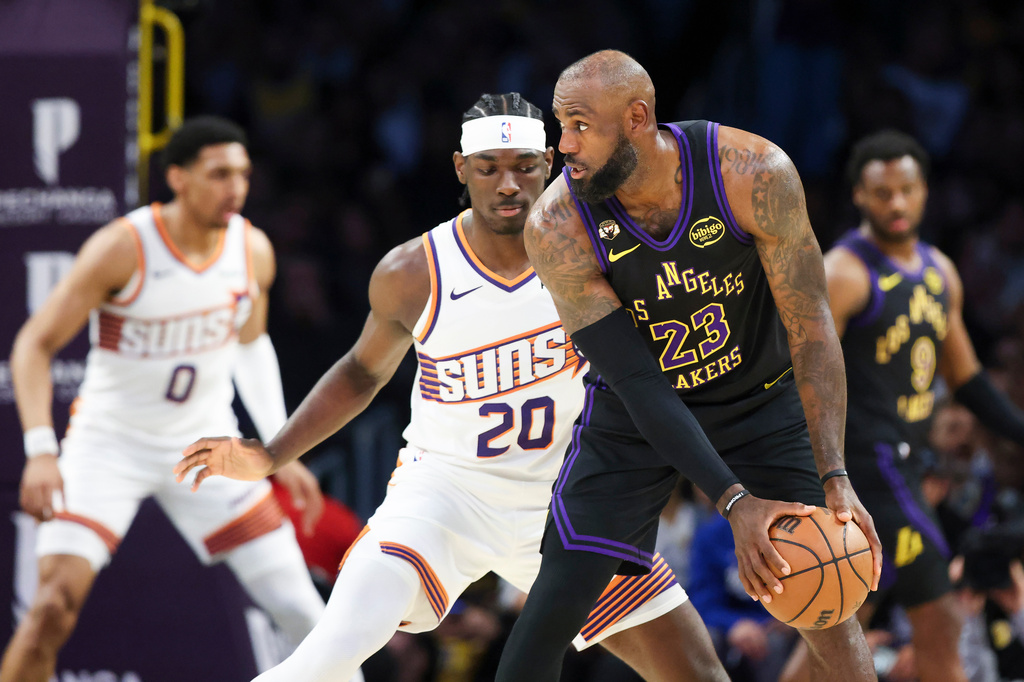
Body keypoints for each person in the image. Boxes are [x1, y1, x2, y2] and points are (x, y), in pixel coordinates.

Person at [174, 93, 731, 682]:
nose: (508, 184)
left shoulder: (598, 251)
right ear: (462, 170)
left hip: (570, 505)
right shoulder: (414, 271)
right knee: (327, 655)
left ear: (550, 163)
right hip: (443, 498)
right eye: (489, 168)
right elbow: (362, 372)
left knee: (698, 674)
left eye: (523, 166)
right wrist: (269, 454)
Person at [492, 49, 883, 682]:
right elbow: (637, 379)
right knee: (560, 593)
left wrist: (834, 473)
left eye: (580, 125)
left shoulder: (751, 172)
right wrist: (733, 502)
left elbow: (811, 330)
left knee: (828, 602)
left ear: (637, 117)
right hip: (635, 415)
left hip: (760, 399)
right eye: (559, 126)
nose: (562, 145)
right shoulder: (558, 224)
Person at [1, 116, 327, 682]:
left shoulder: (252, 250)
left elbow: (251, 348)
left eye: (243, 175)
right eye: (219, 174)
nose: (236, 188)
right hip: (110, 445)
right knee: (51, 609)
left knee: (306, 613)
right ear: (177, 177)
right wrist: (40, 450)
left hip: (206, 445)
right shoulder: (123, 247)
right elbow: (34, 344)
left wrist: (282, 448)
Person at [824, 129, 1024, 682]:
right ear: (860, 197)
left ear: (925, 192)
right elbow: (801, 376)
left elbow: (968, 380)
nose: (896, 203)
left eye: (906, 190)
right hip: (865, 464)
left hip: (910, 463)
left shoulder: (940, 271)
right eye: (882, 192)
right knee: (939, 614)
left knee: (839, 623)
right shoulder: (843, 272)